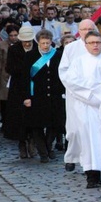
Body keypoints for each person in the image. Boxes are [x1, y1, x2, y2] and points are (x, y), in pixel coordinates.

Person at [62, 30, 101, 188]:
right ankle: (91, 175)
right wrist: (94, 95)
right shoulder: (78, 62)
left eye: (98, 43)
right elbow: (72, 83)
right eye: (92, 43)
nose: (95, 46)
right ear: (85, 45)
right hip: (85, 107)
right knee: (88, 142)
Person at [23, 30, 65, 163]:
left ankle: (48, 145)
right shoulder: (31, 55)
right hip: (37, 95)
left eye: (48, 43)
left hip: (54, 94)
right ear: (38, 43)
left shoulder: (58, 55)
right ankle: (43, 153)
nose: (45, 46)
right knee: (37, 125)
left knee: (54, 124)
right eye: (43, 43)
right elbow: (25, 77)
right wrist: (26, 97)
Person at [4, 26, 38, 158]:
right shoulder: (13, 50)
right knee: (19, 116)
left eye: (29, 41)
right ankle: (22, 142)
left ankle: (33, 140)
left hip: (34, 86)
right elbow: (9, 67)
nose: (27, 44)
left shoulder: (37, 48)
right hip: (18, 87)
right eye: (25, 41)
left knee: (33, 115)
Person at [0, 24, 19, 131]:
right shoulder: (2, 45)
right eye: (11, 35)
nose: (13, 38)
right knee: (5, 102)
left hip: (17, 76)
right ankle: (6, 124)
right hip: (4, 76)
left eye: (16, 35)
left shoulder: (22, 45)